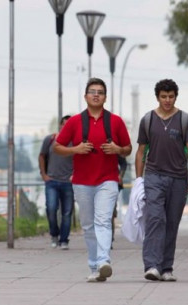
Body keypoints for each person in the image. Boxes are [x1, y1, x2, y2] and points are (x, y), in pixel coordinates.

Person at [53, 78, 131, 282]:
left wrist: (117, 149)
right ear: (85, 96)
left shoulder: (115, 121)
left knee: (103, 220)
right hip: (82, 181)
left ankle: (104, 261)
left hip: (108, 179)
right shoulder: (74, 122)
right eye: (92, 91)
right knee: (88, 225)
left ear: (105, 97)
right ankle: (94, 266)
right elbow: (57, 146)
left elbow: (128, 148)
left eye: (100, 92)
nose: (96, 95)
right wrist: (75, 149)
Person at [134, 79, 188, 282]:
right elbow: (141, 152)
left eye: (171, 97)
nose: (167, 100)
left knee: (172, 222)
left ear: (175, 97)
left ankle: (166, 267)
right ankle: (152, 265)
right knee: (155, 218)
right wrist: (138, 179)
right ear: (157, 97)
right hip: (153, 176)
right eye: (164, 97)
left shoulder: (184, 119)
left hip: (178, 178)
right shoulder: (147, 120)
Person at [38, 115, 74, 250]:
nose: (66, 127)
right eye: (64, 124)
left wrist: (75, 175)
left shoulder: (75, 142)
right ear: (60, 126)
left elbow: (81, 159)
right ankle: (54, 235)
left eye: (69, 125)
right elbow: (42, 156)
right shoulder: (50, 139)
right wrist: (44, 174)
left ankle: (64, 240)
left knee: (67, 212)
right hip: (52, 181)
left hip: (68, 182)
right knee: (51, 208)